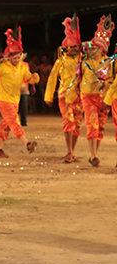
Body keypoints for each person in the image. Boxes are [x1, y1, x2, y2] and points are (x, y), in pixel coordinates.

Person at [0, 27, 39, 158]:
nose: (17, 60)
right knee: (14, 122)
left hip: (15, 100)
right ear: (9, 57)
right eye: (14, 58)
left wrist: (35, 78)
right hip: (3, 100)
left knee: (6, 125)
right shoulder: (1, 67)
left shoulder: (22, 67)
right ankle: (27, 143)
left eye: (19, 57)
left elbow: (29, 78)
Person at [44, 14, 84, 163]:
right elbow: (52, 78)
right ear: (65, 48)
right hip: (65, 96)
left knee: (78, 126)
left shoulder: (83, 61)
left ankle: (72, 152)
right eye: (70, 47)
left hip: (80, 97)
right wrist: (48, 96)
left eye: (75, 47)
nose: (73, 49)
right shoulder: (61, 61)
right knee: (69, 122)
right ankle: (69, 152)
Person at [80, 15, 114, 167]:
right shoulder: (85, 63)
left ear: (102, 49)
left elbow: (112, 80)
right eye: (91, 48)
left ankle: (95, 154)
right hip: (88, 96)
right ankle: (93, 155)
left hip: (104, 98)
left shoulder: (109, 63)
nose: (92, 50)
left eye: (94, 48)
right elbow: (79, 80)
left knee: (100, 126)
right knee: (91, 124)